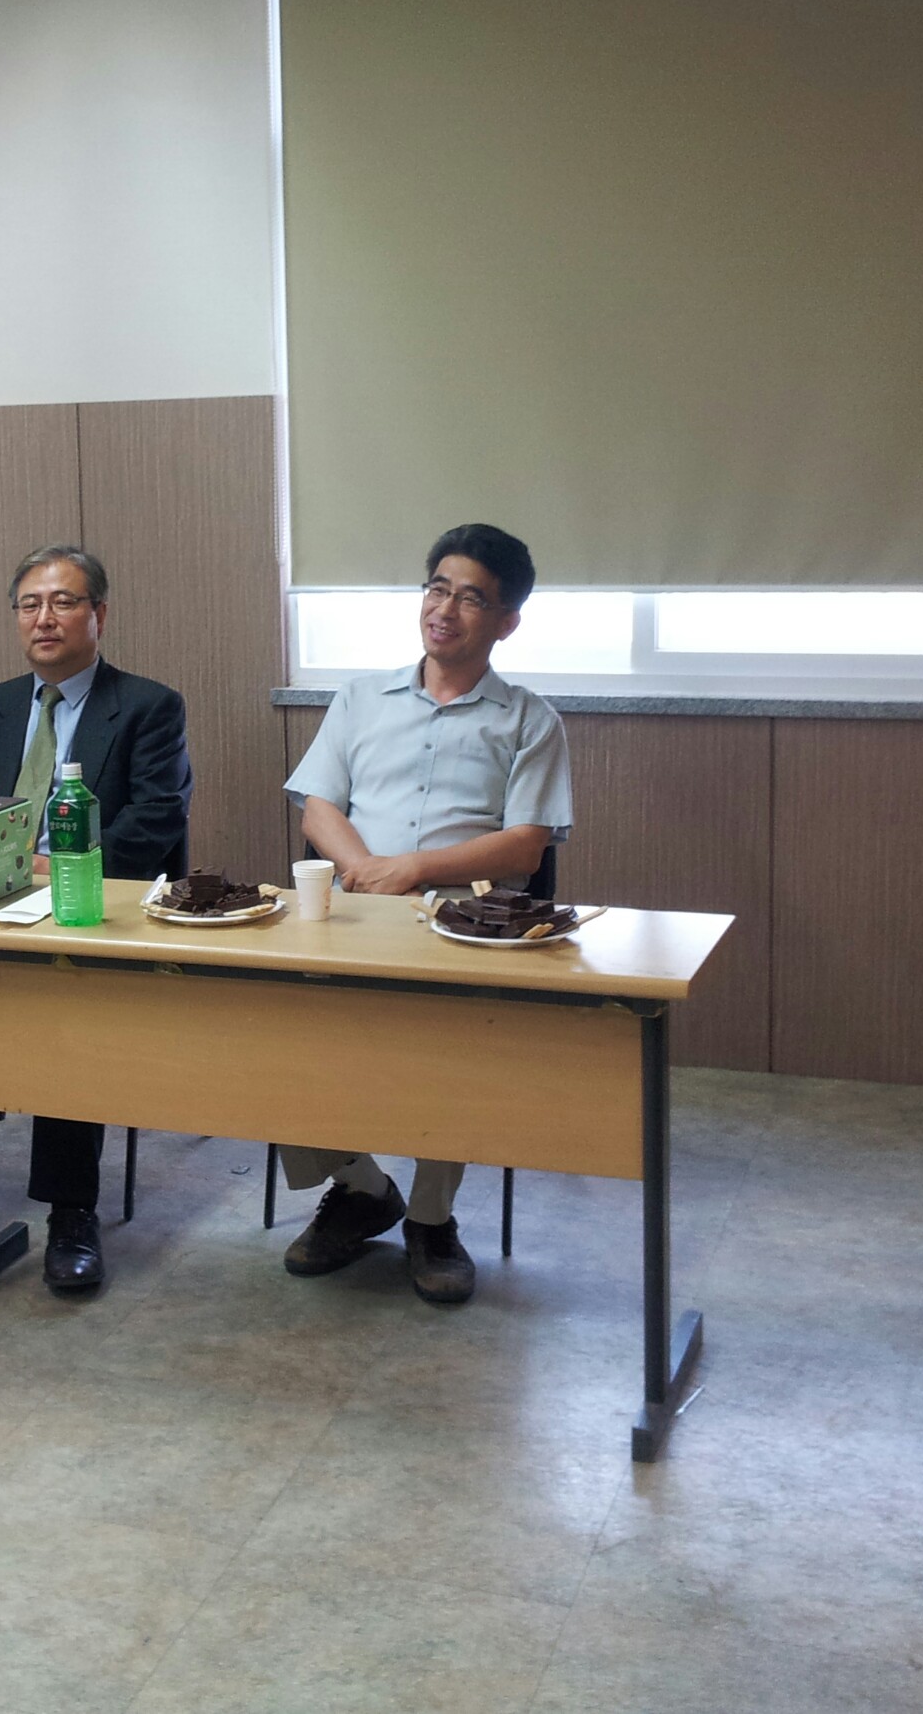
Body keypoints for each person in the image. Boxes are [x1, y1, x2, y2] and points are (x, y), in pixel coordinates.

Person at [279, 523, 573, 1305]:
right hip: (352, 912)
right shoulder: (359, 697)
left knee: (452, 1053)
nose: (445, 609)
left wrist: (412, 870)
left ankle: (432, 1219)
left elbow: (526, 843)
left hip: (462, 926)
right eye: (437, 588)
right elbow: (318, 806)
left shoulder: (529, 719)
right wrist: (364, 871)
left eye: (471, 598)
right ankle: (362, 1189)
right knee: (277, 1034)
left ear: (507, 622)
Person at [0, 544, 191, 1294]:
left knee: (66, 1001)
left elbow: (154, 823)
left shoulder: (148, 705)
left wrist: (56, 870)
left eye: (63, 602)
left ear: (99, 615)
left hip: (92, 914)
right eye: (30, 604)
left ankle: (71, 1212)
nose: (45, 618)